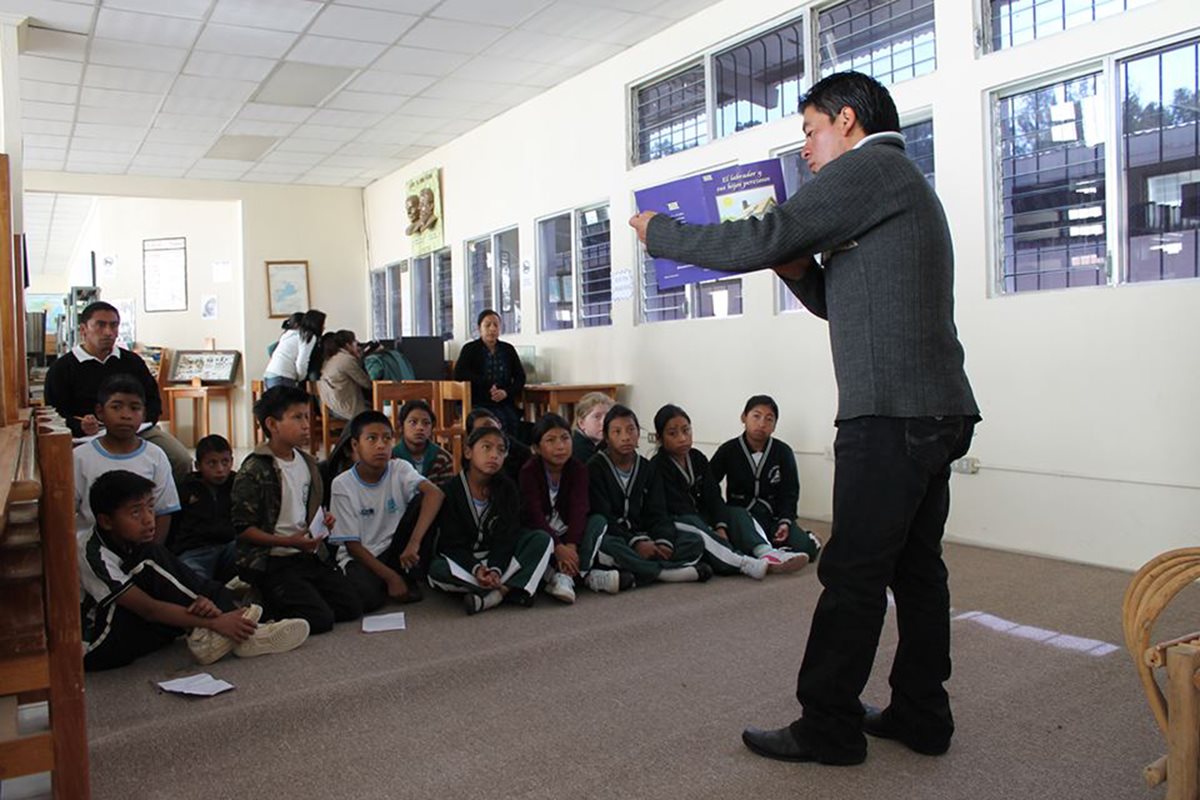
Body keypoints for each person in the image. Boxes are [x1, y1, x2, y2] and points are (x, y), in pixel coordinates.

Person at [630, 71, 979, 766]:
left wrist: (662, 233)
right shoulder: (893, 184)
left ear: (846, 121)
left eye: (810, 133)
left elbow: (766, 232)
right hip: (930, 409)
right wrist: (793, 268)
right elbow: (840, 302)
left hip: (891, 415)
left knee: (851, 572)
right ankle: (921, 712)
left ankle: (828, 725)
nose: (807, 153)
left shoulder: (872, 167)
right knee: (914, 569)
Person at [80, 470, 309, 671]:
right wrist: (214, 621)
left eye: (150, 507)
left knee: (163, 573)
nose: (149, 520)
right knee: (150, 560)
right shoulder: (91, 553)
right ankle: (243, 632)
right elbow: (148, 609)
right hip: (100, 644)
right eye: (135, 513)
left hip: (137, 629)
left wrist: (198, 604)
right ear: (106, 521)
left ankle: (220, 628)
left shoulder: (127, 536)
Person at [232, 385, 362, 634]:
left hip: (306, 555)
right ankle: (261, 600)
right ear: (272, 424)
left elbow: (307, 508)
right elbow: (244, 530)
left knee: (351, 607)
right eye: (297, 417)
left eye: (307, 416)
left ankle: (283, 598)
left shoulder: (308, 463)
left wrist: (324, 520)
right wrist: (287, 540)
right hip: (273, 560)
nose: (306, 424)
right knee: (320, 620)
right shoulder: (255, 470)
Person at [643, 404, 805, 581]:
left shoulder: (697, 458)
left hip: (703, 517)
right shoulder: (657, 466)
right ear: (660, 438)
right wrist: (711, 528)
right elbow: (668, 509)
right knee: (696, 527)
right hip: (677, 522)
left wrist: (720, 525)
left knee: (736, 512)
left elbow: (713, 496)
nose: (682, 438)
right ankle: (742, 562)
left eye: (686, 430)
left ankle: (766, 552)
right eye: (673, 433)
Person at [44, 300, 192, 480]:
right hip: (88, 437)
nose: (108, 332)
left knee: (181, 459)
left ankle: (168, 505)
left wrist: (139, 418)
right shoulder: (63, 368)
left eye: (114, 326)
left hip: (138, 431)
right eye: (100, 325)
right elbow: (54, 414)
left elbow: (153, 401)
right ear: (83, 329)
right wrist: (79, 425)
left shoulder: (132, 362)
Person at [427, 425, 553, 615]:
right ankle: (511, 588)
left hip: (499, 559)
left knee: (542, 540)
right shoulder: (451, 490)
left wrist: (495, 569)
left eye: (501, 450)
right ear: (469, 452)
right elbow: (450, 545)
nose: (494, 455)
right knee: (437, 570)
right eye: (486, 447)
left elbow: (507, 537)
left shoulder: (508, 488)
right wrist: (476, 569)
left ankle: (496, 594)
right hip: (465, 564)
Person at [329, 411, 445, 612]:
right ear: (355, 445)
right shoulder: (342, 484)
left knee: (423, 499)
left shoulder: (399, 468)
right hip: (364, 555)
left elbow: (435, 494)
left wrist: (413, 544)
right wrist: (391, 578)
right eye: (372, 439)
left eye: (387, 438)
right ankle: (394, 580)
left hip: (396, 550)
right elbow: (353, 546)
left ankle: (404, 576)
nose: (381, 445)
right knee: (365, 600)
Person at [587, 405, 711, 586]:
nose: (626, 437)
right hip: (617, 537)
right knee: (606, 545)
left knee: (693, 541)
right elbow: (604, 517)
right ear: (606, 437)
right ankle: (665, 574)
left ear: (639, 434)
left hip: (645, 534)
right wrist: (635, 543)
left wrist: (663, 542)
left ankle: (634, 573)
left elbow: (658, 512)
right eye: (617, 432)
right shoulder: (595, 467)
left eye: (631, 430)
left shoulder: (647, 468)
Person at [519, 413, 627, 603]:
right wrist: (558, 546)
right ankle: (585, 576)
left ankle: (568, 577)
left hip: (568, 535)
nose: (560, 446)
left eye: (565, 438)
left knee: (598, 521)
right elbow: (533, 514)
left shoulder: (578, 469)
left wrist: (570, 545)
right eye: (550, 440)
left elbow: (580, 508)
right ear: (536, 448)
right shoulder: (529, 471)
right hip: (543, 532)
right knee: (539, 540)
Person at [710, 395, 821, 569]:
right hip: (742, 515)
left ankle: (806, 538)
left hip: (772, 516)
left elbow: (790, 491)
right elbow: (710, 485)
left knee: (805, 549)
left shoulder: (783, 452)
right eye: (756, 416)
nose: (762, 423)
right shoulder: (728, 450)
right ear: (743, 417)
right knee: (736, 534)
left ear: (774, 426)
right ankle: (768, 553)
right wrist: (720, 518)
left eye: (769, 419)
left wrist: (785, 520)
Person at [74, 375, 180, 544]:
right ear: (100, 411)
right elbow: (67, 513)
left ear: (144, 413)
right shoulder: (80, 457)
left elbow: (163, 512)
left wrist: (150, 555)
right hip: (92, 553)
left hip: (141, 553)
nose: (126, 415)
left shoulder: (155, 455)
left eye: (134, 408)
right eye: (116, 407)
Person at [170, 435, 238, 583]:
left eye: (225, 462)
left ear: (232, 461)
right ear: (198, 465)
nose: (220, 469)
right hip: (195, 551)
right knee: (192, 577)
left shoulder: (238, 485)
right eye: (212, 463)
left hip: (228, 547)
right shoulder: (186, 488)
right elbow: (174, 522)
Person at [453, 309, 526, 436]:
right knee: (495, 423)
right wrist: (486, 384)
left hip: (503, 400)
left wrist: (506, 392)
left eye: (496, 325)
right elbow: (459, 374)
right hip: (477, 401)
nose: (492, 329)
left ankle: (511, 454)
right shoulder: (470, 349)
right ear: (479, 328)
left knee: (513, 422)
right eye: (487, 325)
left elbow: (520, 377)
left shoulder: (508, 349)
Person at [391, 400, 455, 485]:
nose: (420, 428)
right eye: (413, 422)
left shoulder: (443, 458)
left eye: (426, 423)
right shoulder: (392, 457)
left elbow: (446, 494)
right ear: (402, 426)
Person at [264, 308, 325, 389]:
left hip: (270, 374)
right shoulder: (308, 336)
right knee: (288, 402)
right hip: (283, 377)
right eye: (322, 324)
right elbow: (302, 361)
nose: (324, 327)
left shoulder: (288, 334)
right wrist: (300, 378)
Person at [318, 329, 371, 422]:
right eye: (355, 342)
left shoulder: (331, 358)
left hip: (330, 405)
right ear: (348, 345)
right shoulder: (347, 360)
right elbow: (367, 383)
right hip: (345, 408)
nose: (357, 345)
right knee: (377, 413)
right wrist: (359, 358)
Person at [465, 407, 529, 484]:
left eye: (489, 425)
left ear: (499, 424)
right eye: (481, 431)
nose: (488, 432)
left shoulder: (516, 448)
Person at [571, 391, 613, 464]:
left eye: (608, 416)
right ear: (581, 423)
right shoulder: (577, 450)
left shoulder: (605, 443)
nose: (604, 422)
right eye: (597, 417)